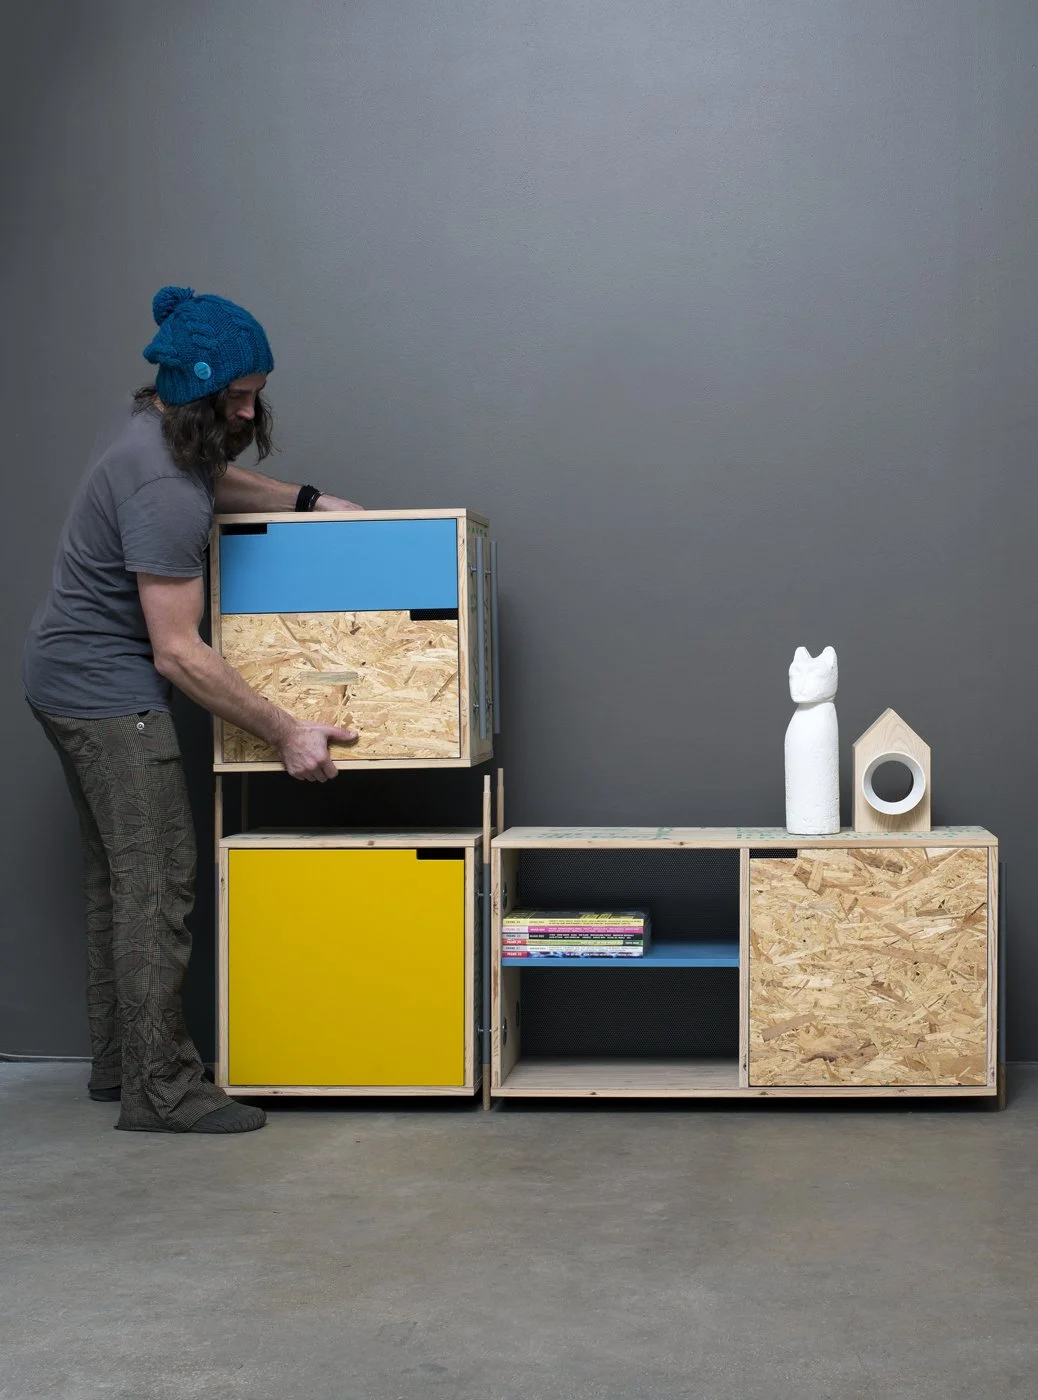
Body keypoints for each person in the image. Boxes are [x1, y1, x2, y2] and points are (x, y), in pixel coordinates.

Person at [22, 285, 362, 1134]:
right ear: (194, 392)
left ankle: (119, 1067)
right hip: (107, 698)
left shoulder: (151, 430)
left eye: (257, 393)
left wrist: (308, 501)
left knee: (119, 880)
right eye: (235, 397)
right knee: (159, 884)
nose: (249, 411)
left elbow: (213, 475)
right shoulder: (163, 488)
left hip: (60, 676)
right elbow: (178, 650)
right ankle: (164, 1091)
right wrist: (287, 732)